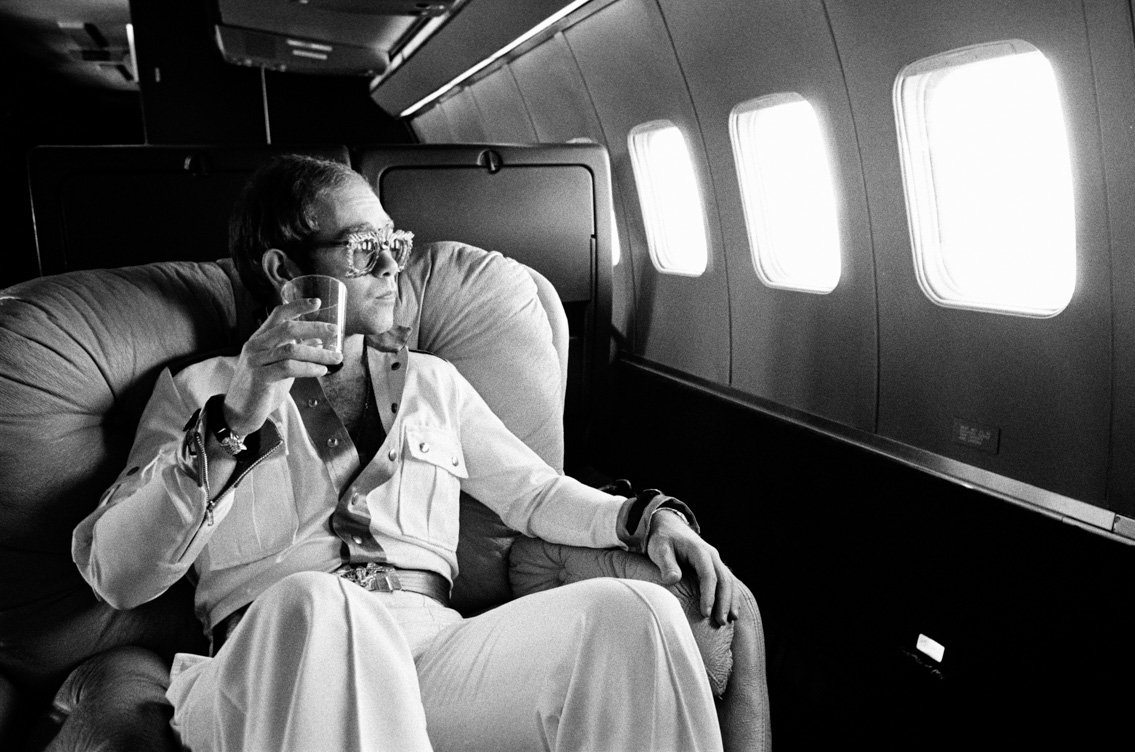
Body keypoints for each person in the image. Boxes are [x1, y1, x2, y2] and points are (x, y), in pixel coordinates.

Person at [72, 155, 737, 752]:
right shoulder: (201, 391)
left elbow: (532, 492)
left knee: (635, 617)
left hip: (429, 647)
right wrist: (234, 417)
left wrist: (648, 519)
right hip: (265, 665)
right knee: (322, 609)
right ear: (283, 270)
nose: (394, 266)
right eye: (366, 250)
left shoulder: (433, 382)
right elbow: (116, 572)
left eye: (393, 243)